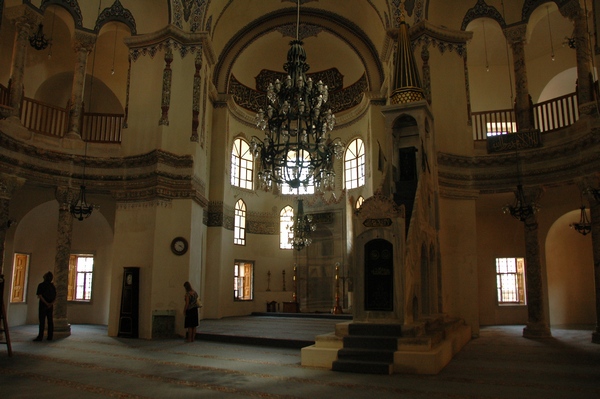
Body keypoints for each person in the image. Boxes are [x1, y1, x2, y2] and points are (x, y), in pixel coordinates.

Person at [34, 271, 56, 341]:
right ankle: (50, 336)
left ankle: (40, 336)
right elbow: (55, 296)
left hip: (43, 305)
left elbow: (40, 295)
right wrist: (50, 303)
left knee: (42, 321)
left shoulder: (41, 285)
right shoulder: (52, 286)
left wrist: (46, 303)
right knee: (50, 321)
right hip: (50, 306)